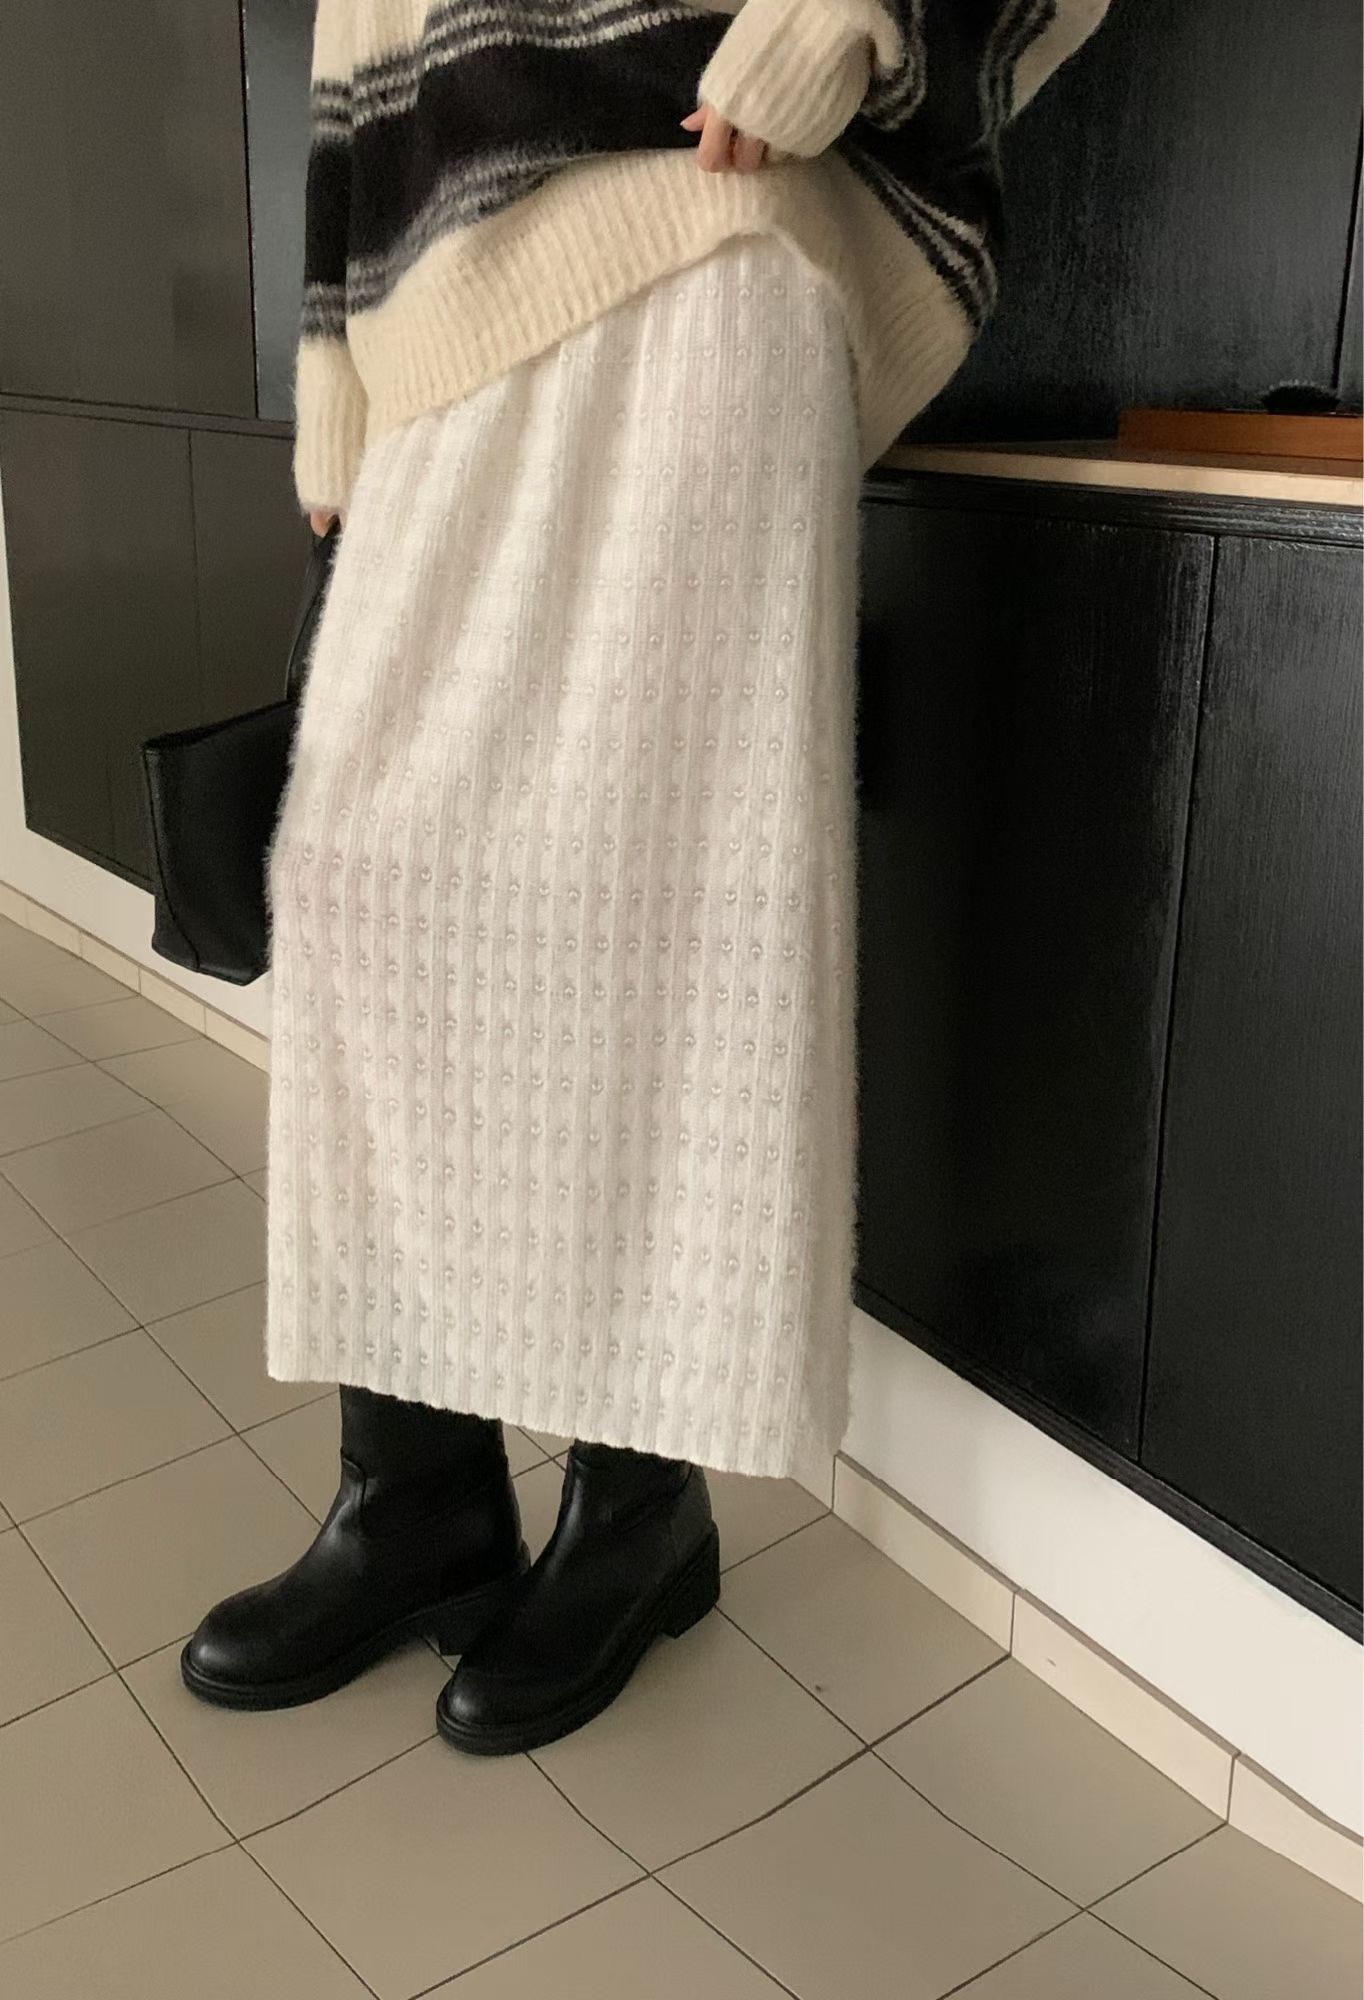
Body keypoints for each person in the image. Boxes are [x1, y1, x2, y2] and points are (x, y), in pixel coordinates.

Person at [182, 0, 1111, 1753]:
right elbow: (356, 50)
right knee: (370, 904)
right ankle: (418, 1493)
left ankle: (637, 1506)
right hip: (437, 316)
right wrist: (334, 385)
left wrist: (846, 15)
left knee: (659, 924)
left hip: (704, 248)